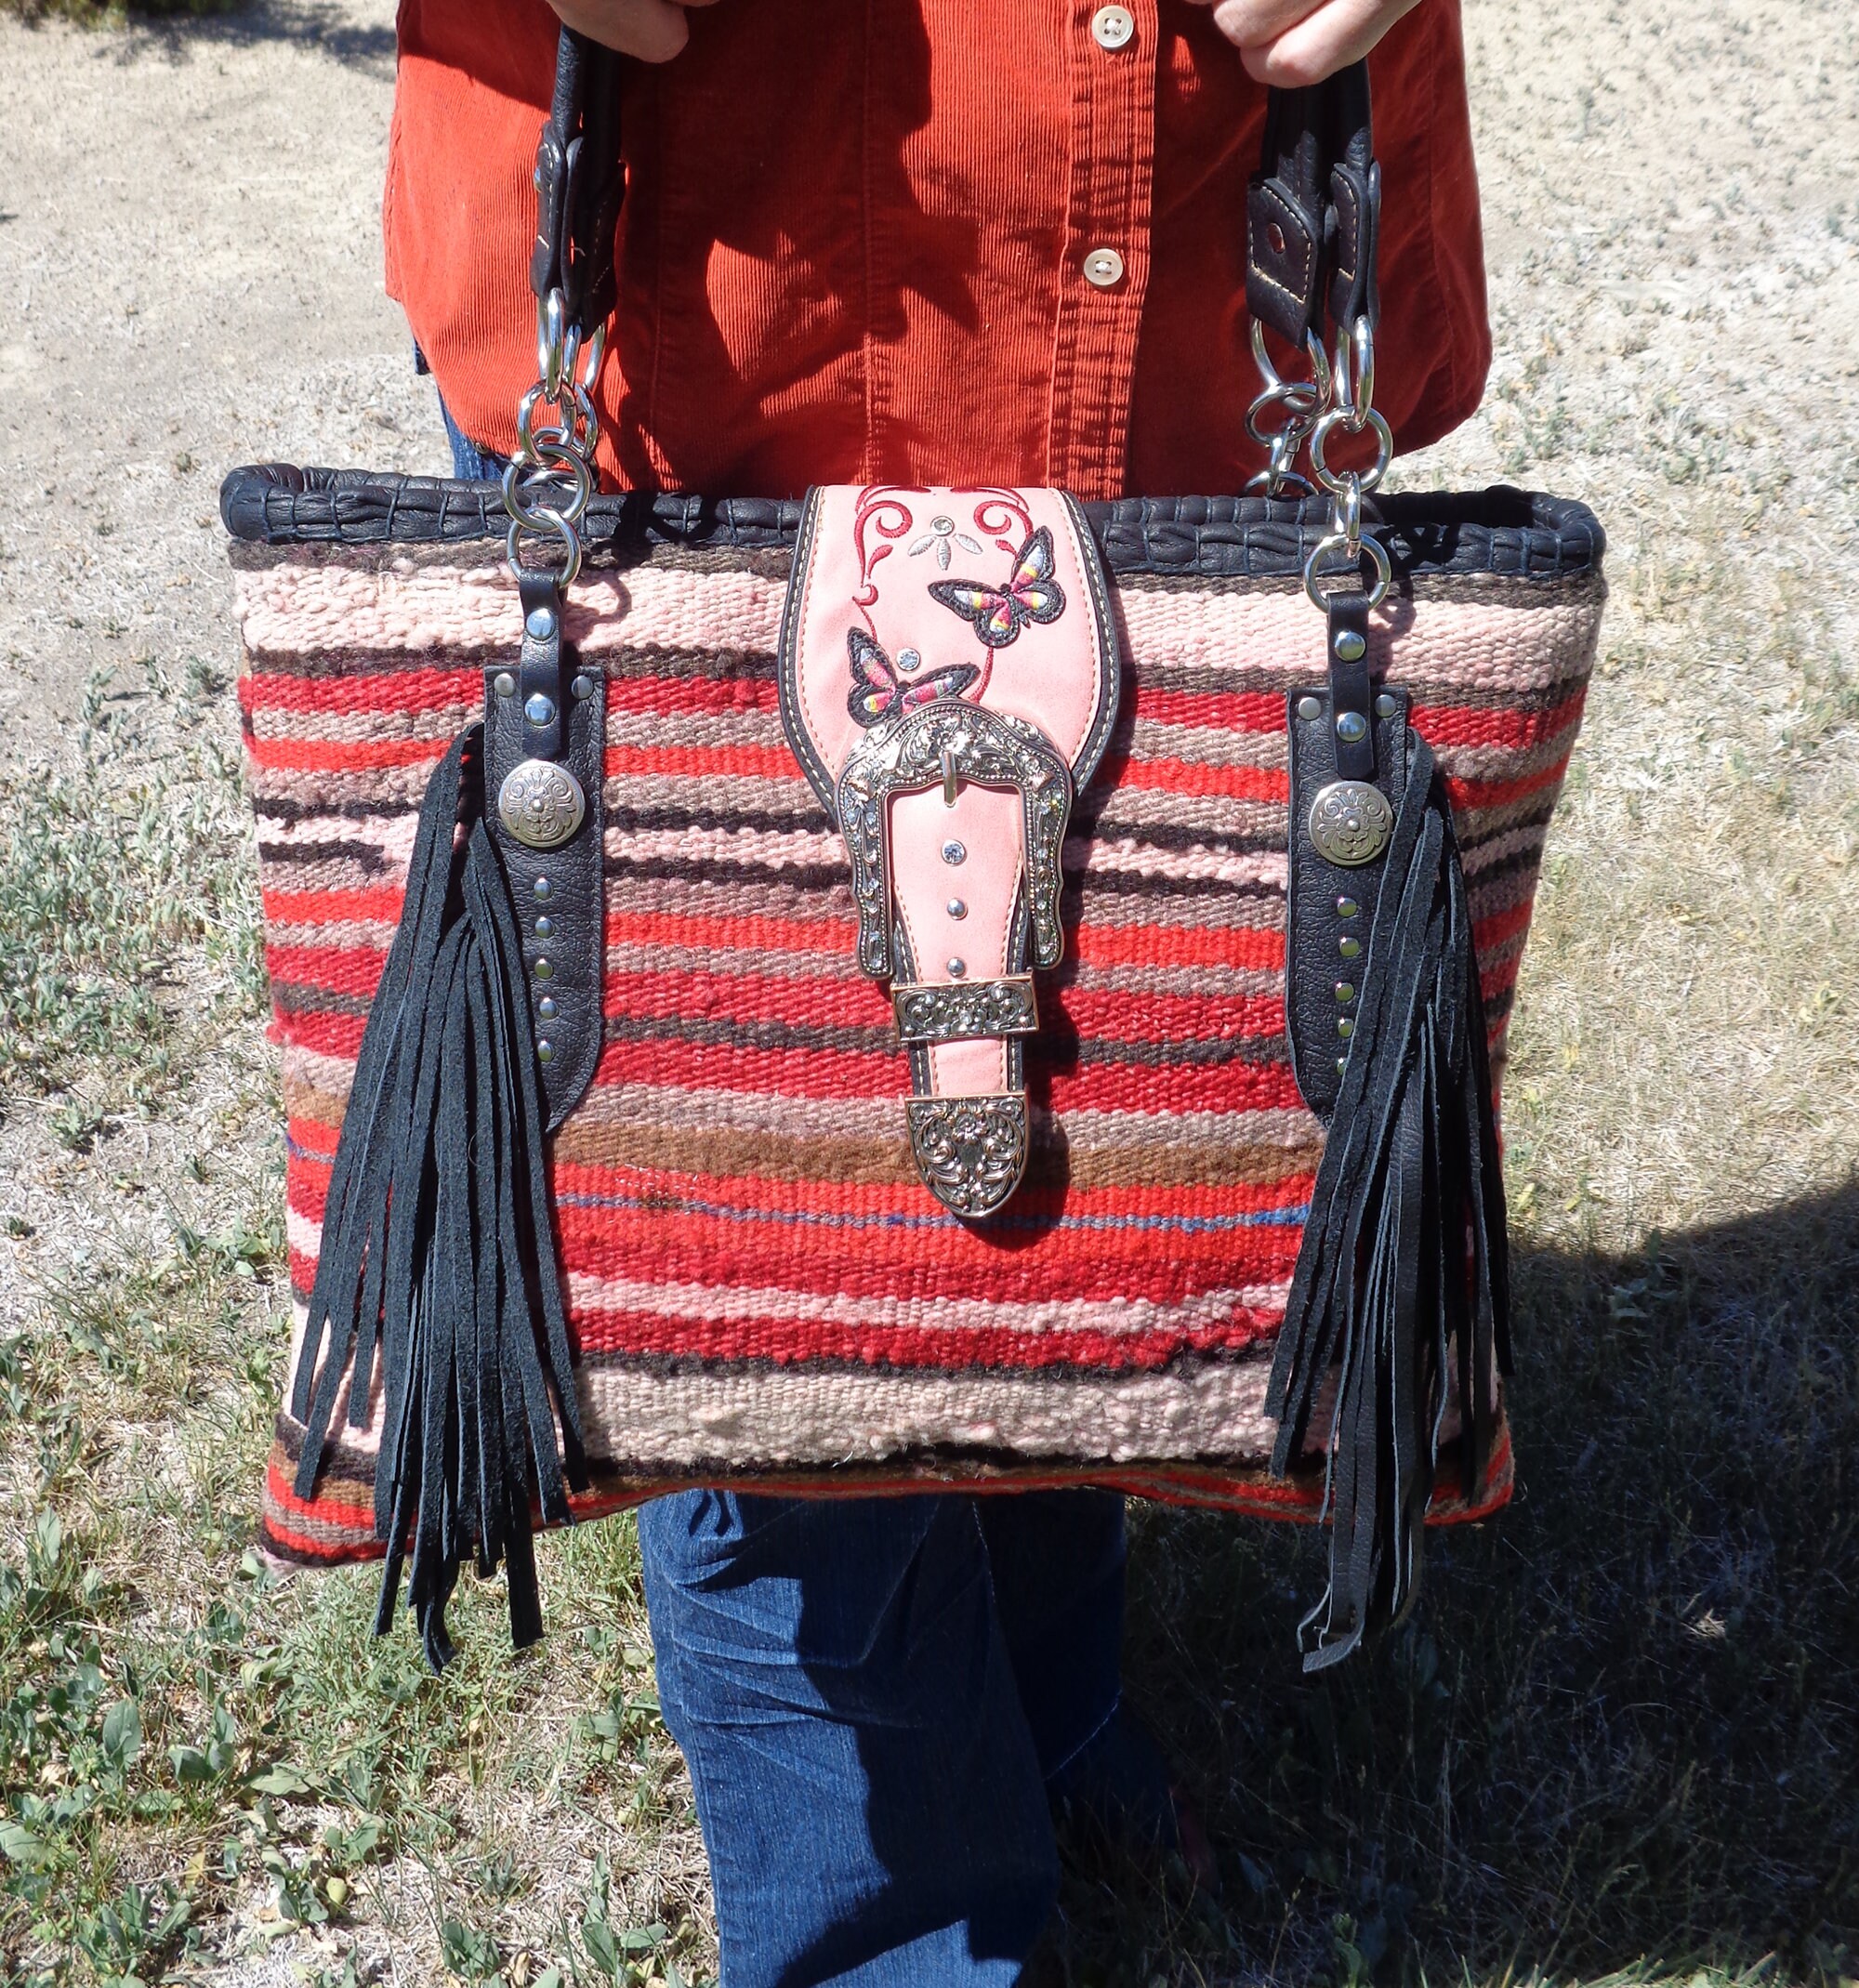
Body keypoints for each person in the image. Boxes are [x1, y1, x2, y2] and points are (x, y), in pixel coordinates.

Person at [383, 3, 1490, 1981]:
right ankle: (904, 1929)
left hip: (1173, 216)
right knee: (746, 1204)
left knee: (1128, 1053)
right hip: (719, 231)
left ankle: (1044, 1688)